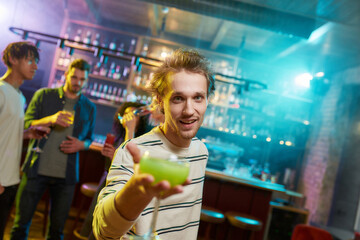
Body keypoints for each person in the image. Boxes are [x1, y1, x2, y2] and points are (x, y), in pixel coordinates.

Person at [93, 49, 215, 240]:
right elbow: (103, 231)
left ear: (207, 100)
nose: (189, 110)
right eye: (178, 98)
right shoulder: (133, 151)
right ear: (160, 101)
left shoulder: (201, 151)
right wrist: (135, 193)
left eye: (198, 97)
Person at [10, 59, 96, 240]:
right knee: (20, 226)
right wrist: (50, 119)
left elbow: (90, 139)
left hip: (66, 177)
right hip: (36, 169)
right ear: (66, 75)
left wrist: (83, 145)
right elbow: (25, 124)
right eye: (74, 77)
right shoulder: (44, 95)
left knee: (56, 233)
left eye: (82, 79)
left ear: (86, 81)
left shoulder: (89, 107)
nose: (77, 82)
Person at [79, 101, 155, 240]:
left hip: (126, 191)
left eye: (133, 115)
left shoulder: (144, 141)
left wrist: (129, 131)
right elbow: (115, 169)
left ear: (141, 118)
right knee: (97, 226)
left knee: (110, 229)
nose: (129, 118)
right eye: (125, 115)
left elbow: (130, 167)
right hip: (108, 184)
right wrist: (112, 157)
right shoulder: (120, 136)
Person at [0, 41, 50, 240]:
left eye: (36, 61)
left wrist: (27, 134)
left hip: (10, 179)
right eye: (30, 60)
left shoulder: (19, 96)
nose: (35, 66)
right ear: (13, 59)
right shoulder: (1, 90)